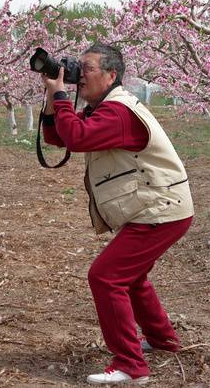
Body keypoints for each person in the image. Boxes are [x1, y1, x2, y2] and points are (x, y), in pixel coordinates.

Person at [39, 43, 194, 385]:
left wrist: (63, 97)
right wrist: (54, 101)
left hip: (161, 208)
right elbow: (58, 138)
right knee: (131, 277)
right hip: (160, 206)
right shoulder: (104, 108)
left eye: (87, 68)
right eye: (77, 67)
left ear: (112, 75)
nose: (79, 75)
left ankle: (131, 365)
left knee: (106, 277)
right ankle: (163, 339)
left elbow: (76, 138)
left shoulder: (119, 111)